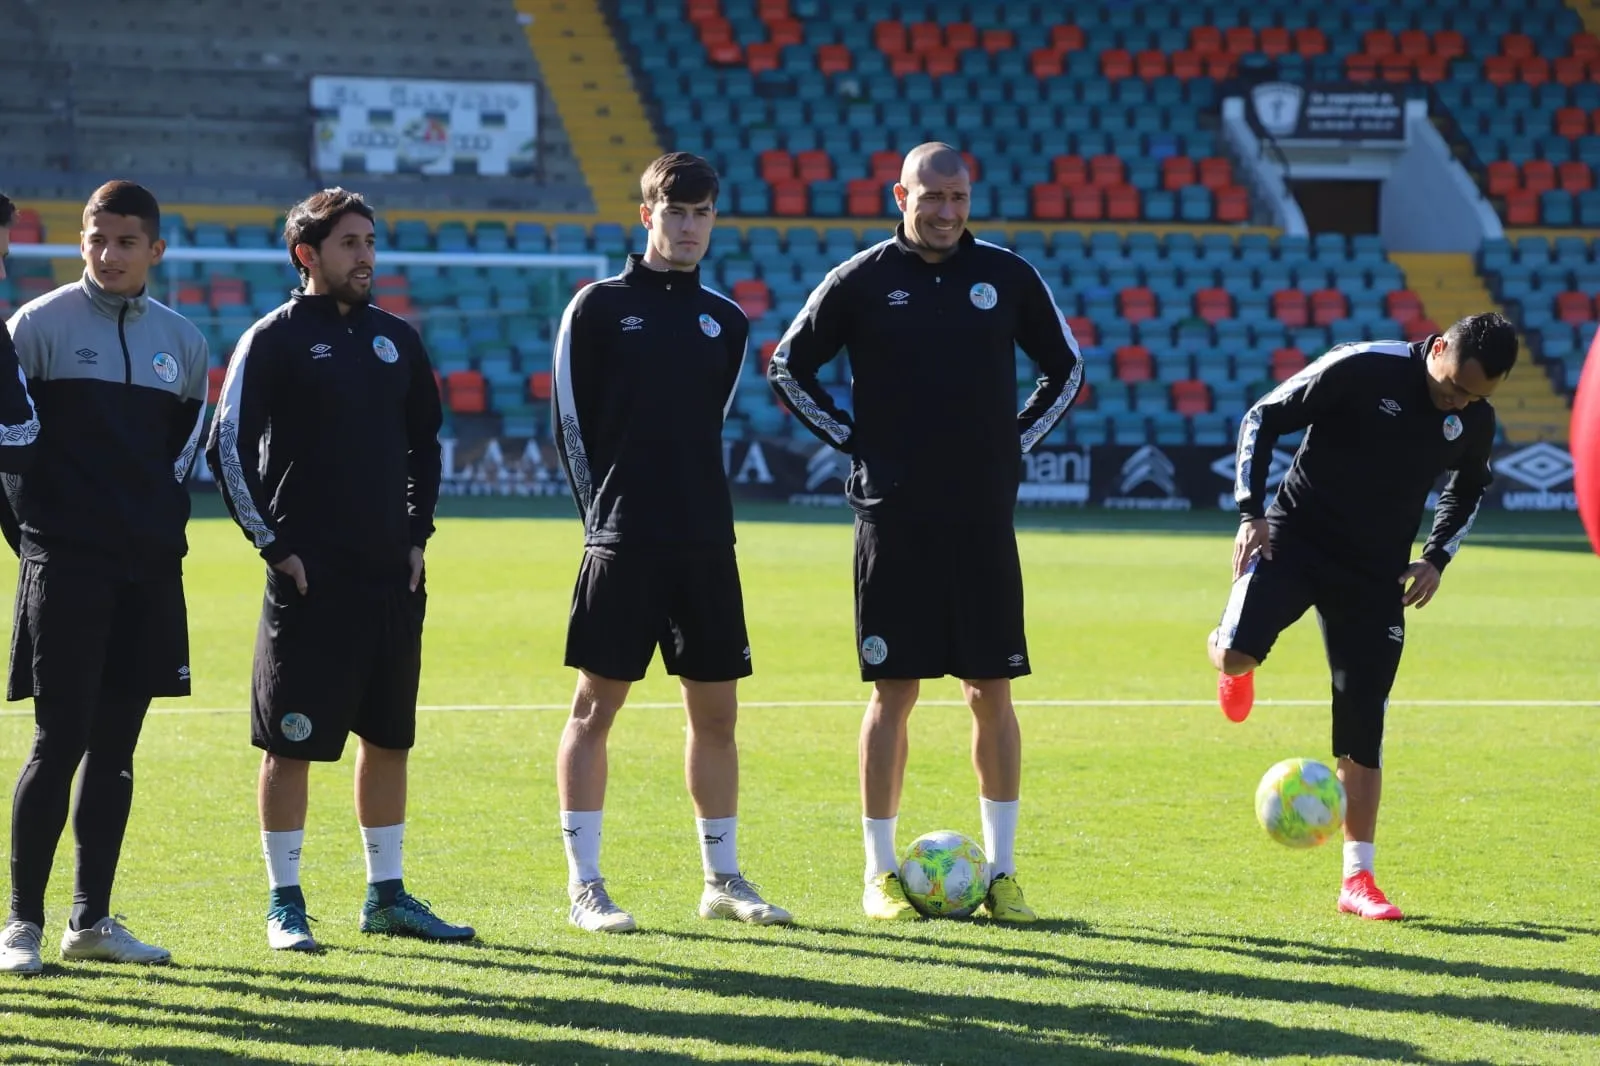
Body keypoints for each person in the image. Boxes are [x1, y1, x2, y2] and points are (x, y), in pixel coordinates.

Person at [767, 142, 1082, 923]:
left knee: (991, 690)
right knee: (893, 692)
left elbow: (1066, 369)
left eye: (958, 198)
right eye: (930, 197)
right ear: (898, 195)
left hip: (980, 517)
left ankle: (1004, 874)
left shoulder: (1008, 276)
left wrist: (1012, 444)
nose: (945, 212)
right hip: (892, 517)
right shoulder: (862, 279)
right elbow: (786, 366)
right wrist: (855, 441)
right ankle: (879, 874)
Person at [206, 188, 472, 952]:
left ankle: (385, 896)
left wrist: (418, 534)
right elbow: (227, 451)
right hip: (308, 582)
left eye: (370, 242)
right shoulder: (275, 338)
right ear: (308, 255)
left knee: (389, 739)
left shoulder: (397, 338)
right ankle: (284, 904)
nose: (366, 256)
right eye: (350, 243)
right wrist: (276, 548)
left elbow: (426, 443)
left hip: (391, 578)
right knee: (290, 746)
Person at [550, 152, 791, 933]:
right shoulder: (595, 306)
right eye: (674, 211)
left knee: (717, 716)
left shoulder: (727, 320)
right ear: (646, 214)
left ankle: (721, 877)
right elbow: (572, 425)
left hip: (705, 543)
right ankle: (586, 885)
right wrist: (604, 523)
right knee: (594, 709)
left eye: (702, 213)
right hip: (622, 541)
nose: (689, 226)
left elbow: (707, 426)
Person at [1208, 314, 1518, 921]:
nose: (1456, 401)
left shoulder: (1473, 417)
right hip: (1293, 542)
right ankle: (1231, 657)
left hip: (1374, 575)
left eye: (1473, 395)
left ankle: (1358, 880)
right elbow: (1262, 417)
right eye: (1453, 385)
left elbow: (1469, 486)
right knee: (1239, 653)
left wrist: (1435, 557)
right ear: (1438, 348)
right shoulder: (1362, 366)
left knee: (1363, 718)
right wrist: (1251, 512)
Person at [0, 181, 206, 974]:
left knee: (117, 751)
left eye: (126, 242)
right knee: (58, 743)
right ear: (80, 242)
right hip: (66, 569)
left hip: (148, 574)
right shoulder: (37, 328)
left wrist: (153, 537)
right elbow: (8, 457)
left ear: (155, 250)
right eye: (96, 239)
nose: (108, 255)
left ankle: (91, 921)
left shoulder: (182, 344)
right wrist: (40, 546)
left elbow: (178, 463)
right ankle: (20, 923)